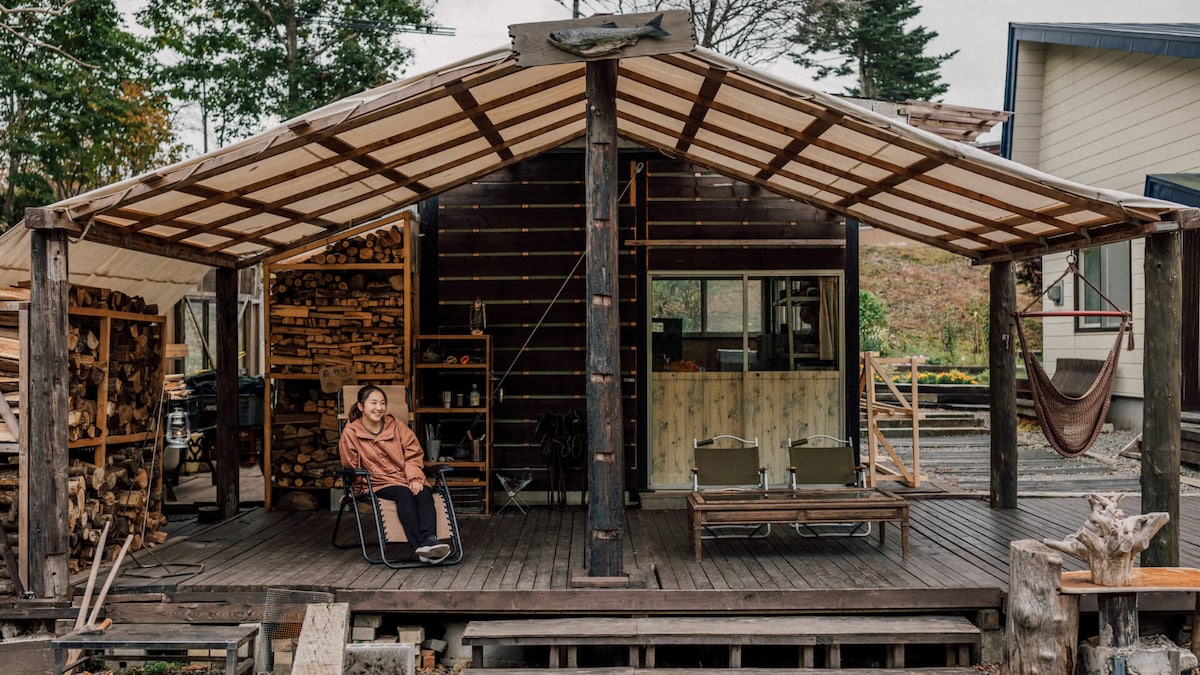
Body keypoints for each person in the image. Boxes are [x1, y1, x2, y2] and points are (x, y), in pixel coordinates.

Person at [339, 384, 451, 563]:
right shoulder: (351, 432)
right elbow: (350, 466)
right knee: (404, 493)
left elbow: (413, 453)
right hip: (377, 482)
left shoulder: (396, 425)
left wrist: (414, 477)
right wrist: (355, 490)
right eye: (373, 403)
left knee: (423, 491)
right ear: (361, 406)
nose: (379, 407)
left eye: (382, 403)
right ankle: (420, 547)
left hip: (404, 476)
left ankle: (430, 540)